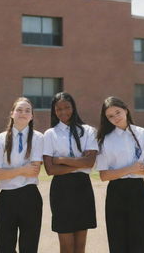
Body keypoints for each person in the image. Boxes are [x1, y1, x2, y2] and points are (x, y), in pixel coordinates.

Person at [96, 96, 144, 253]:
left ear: (126, 110)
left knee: (139, 237)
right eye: (110, 116)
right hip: (115, 192)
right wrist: (130, 169)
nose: (115, 118)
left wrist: (133, 170)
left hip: (138, 190)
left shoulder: (143, 134)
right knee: (117, 238)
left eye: (117, 112)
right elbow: (104, 176)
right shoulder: (105, 140)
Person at [43, 92, 98, 253]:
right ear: (54, 111)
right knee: (66, 246)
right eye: (58, 109)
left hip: (83, 188)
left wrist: (60, 159)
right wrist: (81, 164)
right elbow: (50, 169)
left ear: (73, 107)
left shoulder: (88, 131)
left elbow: (90, 162)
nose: (63, 112)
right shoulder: (50, 134)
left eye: (67, 107)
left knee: (80, 246)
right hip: (61, 189)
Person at [0, 97, 43, 253]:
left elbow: (34, 170)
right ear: (12, 114)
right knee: (3, 246)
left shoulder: (38, 137)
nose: (23, 113)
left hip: (30, 196)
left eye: (27, 110)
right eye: (19, 110)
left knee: (29, 245)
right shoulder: (0, 139)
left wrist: (9, 172)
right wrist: (21, 170)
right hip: (7, 198)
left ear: (32, 116)